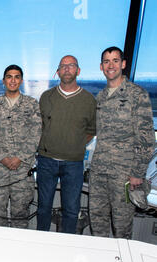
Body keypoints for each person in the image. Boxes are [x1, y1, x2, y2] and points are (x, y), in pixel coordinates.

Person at [89, 47, 155, 239]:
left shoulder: (137, 95)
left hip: (124, 175)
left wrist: (137, 173)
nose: (111, 65)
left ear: (123, 64)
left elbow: (146, 139)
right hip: (99, 171)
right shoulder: (101, 97)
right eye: (107, 62)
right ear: (101, 67)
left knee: (122, 227)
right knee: (97, 223)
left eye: (115, 60)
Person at [37, 55, 96, 234]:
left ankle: (69, 247)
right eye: (63, 66)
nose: (67, 69)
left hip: (73, 163)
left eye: (71, 66)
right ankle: (40, 244)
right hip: (46, 161)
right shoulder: (46, 97)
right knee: (43, 207)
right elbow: (41, 127)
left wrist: (73, 144)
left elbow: (91, 130)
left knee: (71, 210)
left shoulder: (88, 100)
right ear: (58, 71)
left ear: (78, 70)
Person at [0, 65, 41, 229]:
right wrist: (3, 158)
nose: (13, 80)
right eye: (9, 77)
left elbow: (36, 134)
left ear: (21, 80)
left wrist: (19, 158)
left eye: (16, 77)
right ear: (3, 80)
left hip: (22, 168)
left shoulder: (32, 104)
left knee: (20, 213)